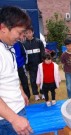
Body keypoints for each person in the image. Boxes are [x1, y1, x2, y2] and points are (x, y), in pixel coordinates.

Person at [0, 6, 32, 135]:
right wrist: (14, 119)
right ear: (3, 28)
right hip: (6, 120)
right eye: (19, 32)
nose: (21, 37)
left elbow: (10, 74)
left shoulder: (9, 46)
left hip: (16, 112)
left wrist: (20, 91)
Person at [24, 26, 45, 101]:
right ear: (25, 34)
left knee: (42, 79)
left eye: (30, 32)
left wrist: (43, 63)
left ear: (33, 32)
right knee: (33, 81)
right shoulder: (24, 44)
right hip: (31, 67)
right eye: (26, 33)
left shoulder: (39, 42)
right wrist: (26, 66)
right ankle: (36, 94)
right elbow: (24, 56)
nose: (28, 34)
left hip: (40, 65)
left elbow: (43, 53)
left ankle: (43, 93)